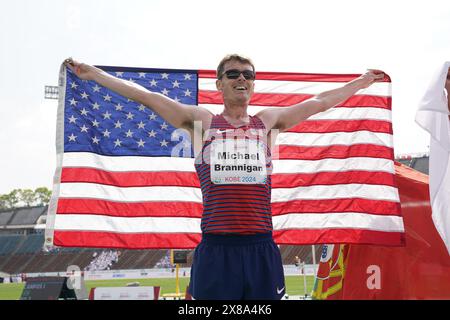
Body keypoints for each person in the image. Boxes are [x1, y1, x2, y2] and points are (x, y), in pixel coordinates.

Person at [65, 55, 384, 300]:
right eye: (233, 73)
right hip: (217, 250)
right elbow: (147, 97)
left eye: (248, 74)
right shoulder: (202, 122)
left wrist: (362, 81)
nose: (241, 78)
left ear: (253, 84)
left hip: (260, 248)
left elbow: (320, 103)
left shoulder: (267, 123)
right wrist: (93, 74)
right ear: (220, 83)